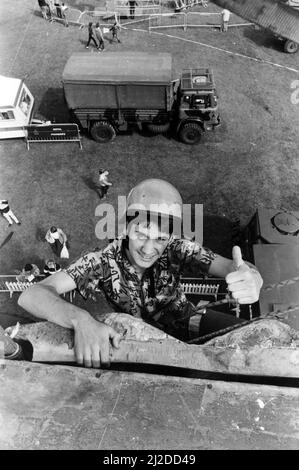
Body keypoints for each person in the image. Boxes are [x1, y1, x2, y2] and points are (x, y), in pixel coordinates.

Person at [18, 179, 263, 369]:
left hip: (188, 322)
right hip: (137, 338)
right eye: (141, 234)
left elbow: (231, 266)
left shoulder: (177, 247)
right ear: (125, 228)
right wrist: (80, 319)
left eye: (159, 238)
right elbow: (31, 295)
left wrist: (249, 275)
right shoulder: (102, 260)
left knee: (257, 346)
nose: (148, 249)